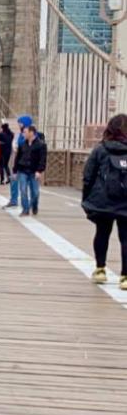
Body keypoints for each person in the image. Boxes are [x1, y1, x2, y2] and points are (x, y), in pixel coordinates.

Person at [82, 114, 127, 290]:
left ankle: (100, 270)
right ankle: (125, 277)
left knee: (102, 233)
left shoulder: (101, 149)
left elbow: (88, 175)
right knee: (126, 238)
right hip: (125, 201)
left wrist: (87, 198)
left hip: (103, 201)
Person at [14, 124, 47, 216]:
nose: (23, 134)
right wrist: (15, 171)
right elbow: (17, 158)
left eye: (25, 132)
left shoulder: (41, 145)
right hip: (23, 170)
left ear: (31, 133)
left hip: (34, 171)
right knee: (23, 190)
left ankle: (34, 205)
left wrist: (39, 171)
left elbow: (42, 159)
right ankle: (25, 209)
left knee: (35, 193)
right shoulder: (22, 145)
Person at [4, 115, 32, 208]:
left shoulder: (30, 133)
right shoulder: (19, 134)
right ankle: (14, 200)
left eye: (20, 123)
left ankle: (27, 202)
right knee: (14, 179)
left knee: (26, 184)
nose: (19, 124)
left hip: (27, 162)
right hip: (18, 160)